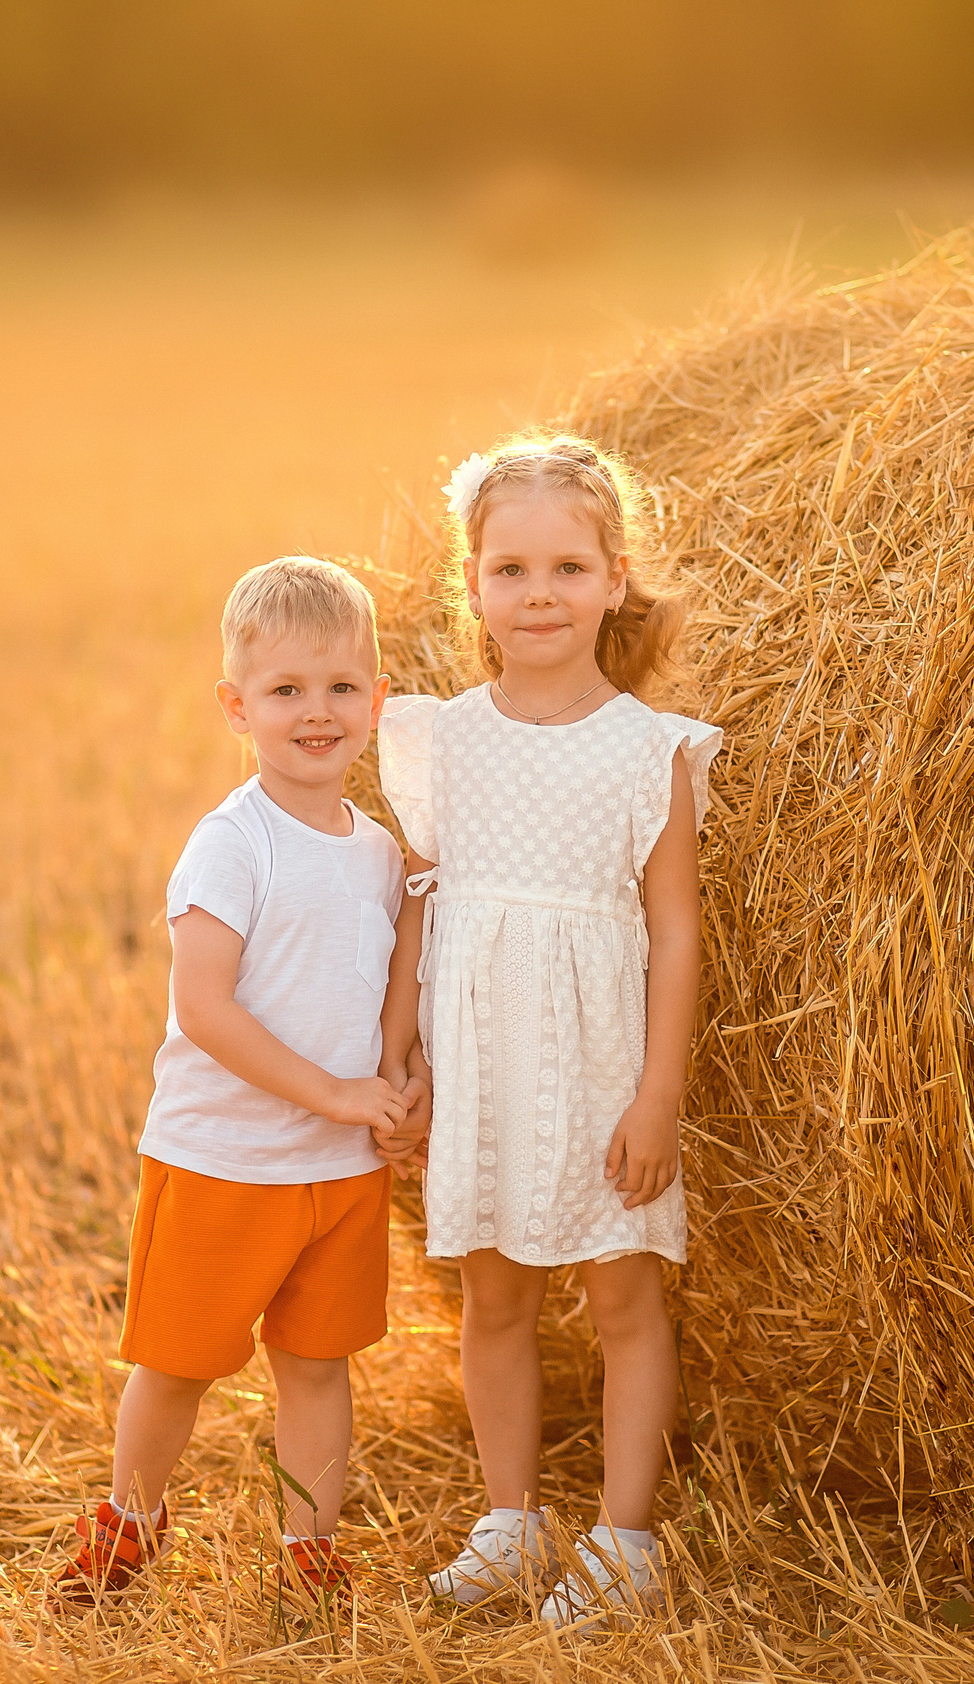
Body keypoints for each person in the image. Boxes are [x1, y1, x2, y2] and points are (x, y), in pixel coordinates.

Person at [379, 435, 721, 1632]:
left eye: (567, 568)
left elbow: (673, 935)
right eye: (511, 569)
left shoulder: (651, 752)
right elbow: (420, 910)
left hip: (597, 1066)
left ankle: (626, 1544)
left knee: (625, 1300)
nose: (539, 594)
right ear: (472, 586)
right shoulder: (439, 741)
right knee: (495, 1298)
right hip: (478, 1063)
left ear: (615, 579)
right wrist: (401, 1057)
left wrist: (656, 1098)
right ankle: (510, 1522)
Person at [58, 556, 425, 1606]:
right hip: (224, 1160)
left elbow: (394, 987)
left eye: (342, 688)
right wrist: (338, 1095)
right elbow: (206, 1011)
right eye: (286, 692)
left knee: (318, 1367)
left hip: (338, 1169)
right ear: (236, 707)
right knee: (176, 1366)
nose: (318, 713)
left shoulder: (379, 856)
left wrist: (396, 1087)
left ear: (377, 699)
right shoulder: (233, 844)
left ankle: (309, 1553)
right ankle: (129, 1524)